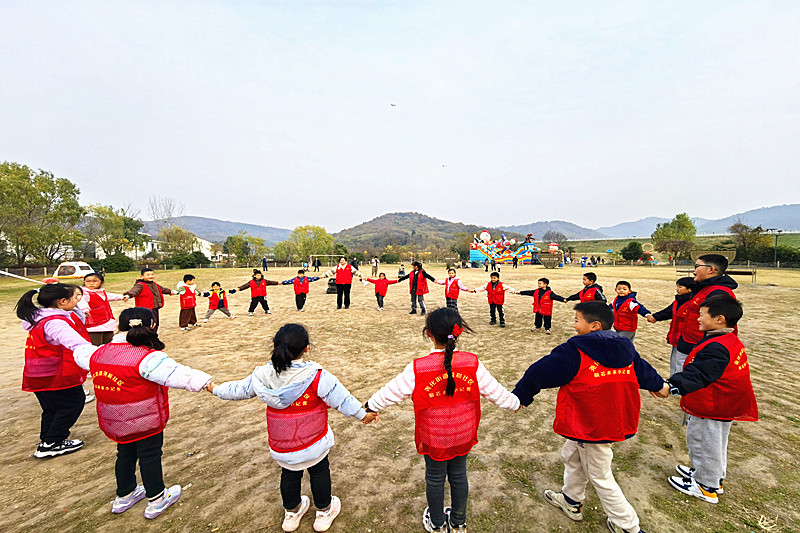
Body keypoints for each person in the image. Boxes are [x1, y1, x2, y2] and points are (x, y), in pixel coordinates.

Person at [207, 324, 377, 532]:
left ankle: (292, 513)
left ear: (275, 346)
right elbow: (342, 400)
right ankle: (324, 512)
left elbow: (237, 389)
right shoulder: (316, 375)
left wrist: (215, 388)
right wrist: (363, 415)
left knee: (289, 473)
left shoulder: (262, 376)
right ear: (306, 348)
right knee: (319, 471)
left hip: (283, 445)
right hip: (314, 441)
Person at [512, 301, 663, 533]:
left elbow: (539, 372)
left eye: (576, 320)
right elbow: (642, 370)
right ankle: (571, 500)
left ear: (594, 326)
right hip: (611, 419)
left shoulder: (574, 352)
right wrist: (657, 384)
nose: (573, 325)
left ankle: (628, 526)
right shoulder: (626, 348)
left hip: (591, 423)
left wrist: (521, 396)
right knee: (571, 455)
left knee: (600, 475)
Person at [365, 308, 520, 533]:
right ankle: (458, 521)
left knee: (435, 478)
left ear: (429, 334)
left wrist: (370, 407)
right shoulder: (472, 362)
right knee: (459, 474)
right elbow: (494, 391)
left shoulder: (418, 368)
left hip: (434, 434)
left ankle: (437, 522)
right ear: (458, 333)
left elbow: (392, 391)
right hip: (463, 431)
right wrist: (514, 404)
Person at [74, 307, 212, 519]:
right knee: (149, 456)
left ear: (117, 326)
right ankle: (157, 499)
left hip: (114, 420)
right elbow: (178, 374)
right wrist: (206, 383)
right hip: (145, 420)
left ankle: (125, 494)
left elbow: (79, 352)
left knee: (125, 454)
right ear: (153, 325)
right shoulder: (148, 357)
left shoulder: (96, 353)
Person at [659, 296, 758, 504]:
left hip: (714, 404)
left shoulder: (717, 347)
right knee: (715, 442)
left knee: (704, 441)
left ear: (720, 319)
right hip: (723, 402)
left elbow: (699, 374)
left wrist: (671, 386)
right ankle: (711, 475)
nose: (697, 319)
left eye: (702, 315)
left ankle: (706, 486)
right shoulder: (725, 339)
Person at [16, 283, 96, 458]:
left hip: (38, 373)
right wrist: (100, 358)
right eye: (75, 298)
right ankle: (53, 441)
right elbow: (77, 343)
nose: (77, 302)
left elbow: (77, 320)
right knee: (72, 404)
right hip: (54, 374)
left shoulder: (40, 316)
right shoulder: (55, 323)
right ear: (62, 301)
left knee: (52, 408)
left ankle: (48, 441)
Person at [673, 254, 738, 377]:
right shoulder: (704, 288)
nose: (694, 270)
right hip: (688, 342)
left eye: (697, 266)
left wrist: (703, 350)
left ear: (711, 269)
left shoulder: (718, 293)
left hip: (698, 347)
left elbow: (719, 327)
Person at [646, 277, 695, 376]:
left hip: (686, 339)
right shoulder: (678, 301)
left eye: (680, 287)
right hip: (676, 337)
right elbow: (668, 312)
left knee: (682, 362)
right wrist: (655, 317)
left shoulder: (694, 303)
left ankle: (679, 384)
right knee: (674, 360)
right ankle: (673, 380)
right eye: (677, 286)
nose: (677, 289)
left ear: (690, 289)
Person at [78, 272, 126, 346]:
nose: (91, 283)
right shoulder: (84, 293)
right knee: (95, 344)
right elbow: (82, 301)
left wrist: (122, 297)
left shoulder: (101, 292)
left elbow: (110, 296)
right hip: (94, 323)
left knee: (108, 343)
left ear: (101, 283)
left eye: (94, 281)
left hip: (107, 321)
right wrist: (85, 310)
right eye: (88, 281)